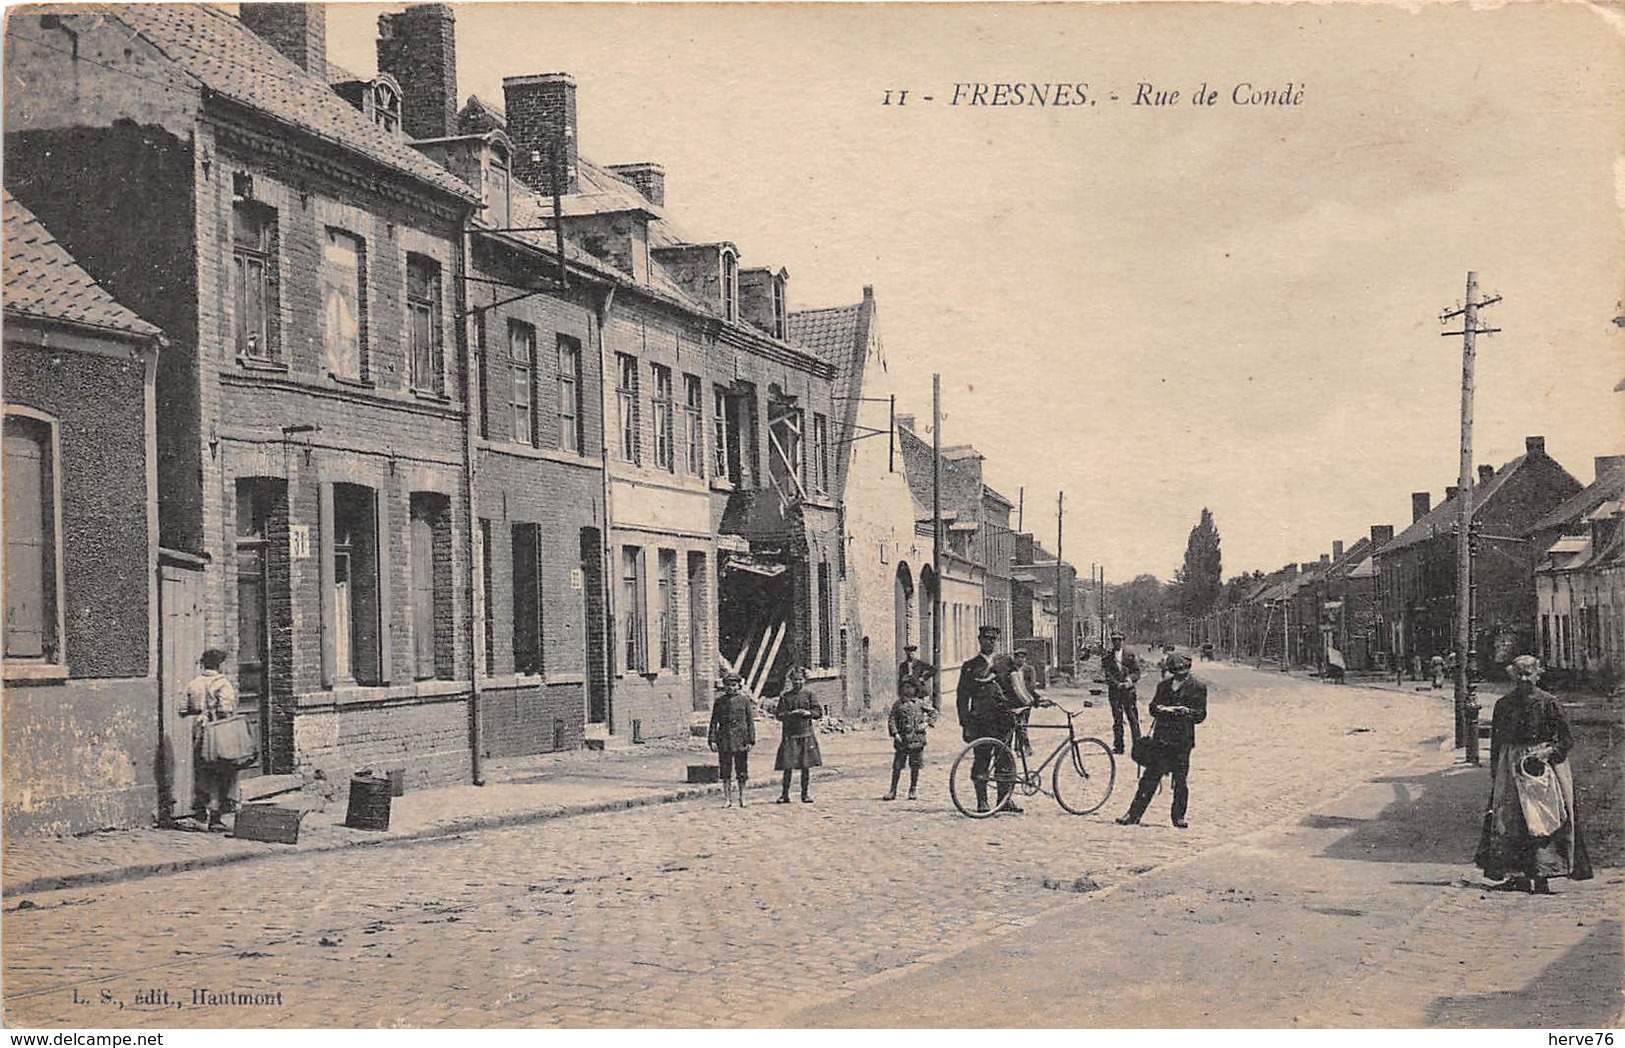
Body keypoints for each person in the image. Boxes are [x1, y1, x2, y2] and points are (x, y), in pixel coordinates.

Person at [1474, 656, 1593, 894]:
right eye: (1519, 675)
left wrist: (1548, 751)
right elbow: (1496, 742)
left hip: (1542, 769)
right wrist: (1496, 772)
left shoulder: (1549, 703)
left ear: (1539, 675)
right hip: (1510, 767)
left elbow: (1566, 739)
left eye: (1529, 674)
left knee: (1544, 818)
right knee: (1510, 818)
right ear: (1512, 676)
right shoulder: (1503, 705)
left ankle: (1543, 874)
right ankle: (1515, 873)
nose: (1524, 679)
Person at [1117, 652, 1208, 828]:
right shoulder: (1163, 686)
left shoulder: (1198, 687)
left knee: (1180, 780)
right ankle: (1133, 814)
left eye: (1181, 670)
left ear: (1188, 668)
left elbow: (1201, 715)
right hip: (1161, 740)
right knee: (1149, 778)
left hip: (1182, 741)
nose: (1178, 674)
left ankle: (1178, 817)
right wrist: (1162, 710)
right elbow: (1152, 708)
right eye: (1175, 671)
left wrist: (1186, 712)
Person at [955, 625, 1031, 814]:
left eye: (994, 639)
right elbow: (962, 698)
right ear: (979, 640)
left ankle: (1004, 799)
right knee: (982, 759)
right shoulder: (970, 666)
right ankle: (982, 801)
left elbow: (1018, 687)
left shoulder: (1005, 663)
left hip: (1003, 720)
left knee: (1005, 759)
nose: (990, 642)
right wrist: (965, 723)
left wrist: (1033, 700)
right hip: (980, 721)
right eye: (987, 638)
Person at [180, 648, 242, 831]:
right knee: (223, 771)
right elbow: (225, 709)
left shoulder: (193, 683)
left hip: (200, 731)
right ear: (219, 665)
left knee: (202, 771)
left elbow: (183, 709)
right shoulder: (222, 684)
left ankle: (200, 815)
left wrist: (200, 712)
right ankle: (216, 818)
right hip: (218, 731)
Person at [773, 666, 823, 804]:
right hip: (790, 735)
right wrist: (790, 714)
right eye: (795, 680)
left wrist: (808, 713)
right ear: (791, 681)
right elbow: (779, 715)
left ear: (805, 680)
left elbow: (818, 712)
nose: (798, 683)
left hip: (805, 734)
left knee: (805, 766)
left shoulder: (809, 695)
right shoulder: (785, 697)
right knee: (787, 766)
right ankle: (784, 794)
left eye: (800, 680)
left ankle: (805, 794)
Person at [707, 670, 756, 808]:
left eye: (734, 685)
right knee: (725, 770)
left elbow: (750, 722)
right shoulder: (719, 702)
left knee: (741, 770)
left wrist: (751, 740)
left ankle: (742, 797)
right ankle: (727, 798)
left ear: (739, 686)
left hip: (741, 740)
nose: (731, 688)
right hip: (724, 739)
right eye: (728, 685)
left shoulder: (744, 701)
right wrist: (712, 740)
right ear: (724, 686)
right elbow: (713, 722)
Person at [884, 679, 930, 801]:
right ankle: (893, 790)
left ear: (915, 689)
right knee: (897, 766)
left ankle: (913, 789)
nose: (907, 690)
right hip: (902, 741)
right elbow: (892, 719)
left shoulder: (920, 703)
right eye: (905, 687)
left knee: (915, 766)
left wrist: (926, 723)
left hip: (917, 740)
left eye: (910, 687)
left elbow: (934, 713)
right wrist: (895, 733)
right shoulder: (898, 704)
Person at [1101, 630, 1143, 755]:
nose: (1117, 642)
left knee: (1133, 719)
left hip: (1129, 692)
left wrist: (1129, 680)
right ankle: (1118, 746)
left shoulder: (1130, 655)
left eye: (1119, 639)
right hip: (1115, 692)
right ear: (1112, 641)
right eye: (1114, 640)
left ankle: (1138, 746)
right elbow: (1107, 675)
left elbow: (1137, 672)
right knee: (1117, 720)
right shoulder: (1108, 657)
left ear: (1123, 640)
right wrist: (1117, 684)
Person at [897, 644, 935, 708]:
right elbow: (900, 679)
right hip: (908, 690)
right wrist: (900, 692)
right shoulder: (902, 665)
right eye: (908, 654)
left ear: (915, 654)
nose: (910, 656)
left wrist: (923, 678)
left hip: (919, 689)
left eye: (912, 654)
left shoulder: (920, 663)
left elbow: (933, 669)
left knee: (923, 707)